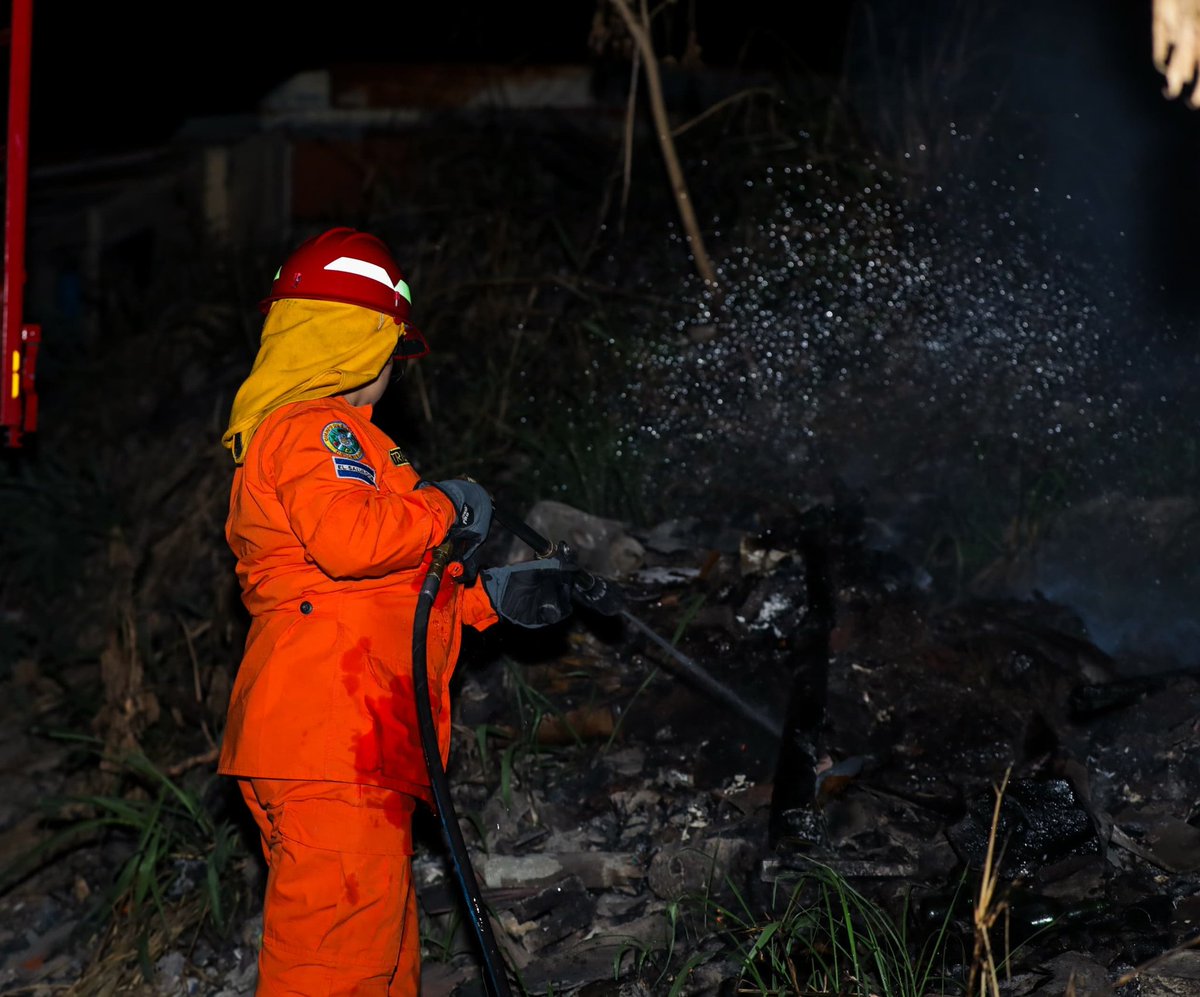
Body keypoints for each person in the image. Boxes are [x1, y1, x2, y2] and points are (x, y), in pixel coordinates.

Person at [218, 226, 576, 995]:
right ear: (364, 343)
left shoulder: (330, 443)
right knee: (336, 970)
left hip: (342, 739)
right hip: (331, 740)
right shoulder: (317, 429)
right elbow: (351, 544)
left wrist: (489, 603)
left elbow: (382, 598)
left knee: (378, 962)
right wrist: (443, 507)